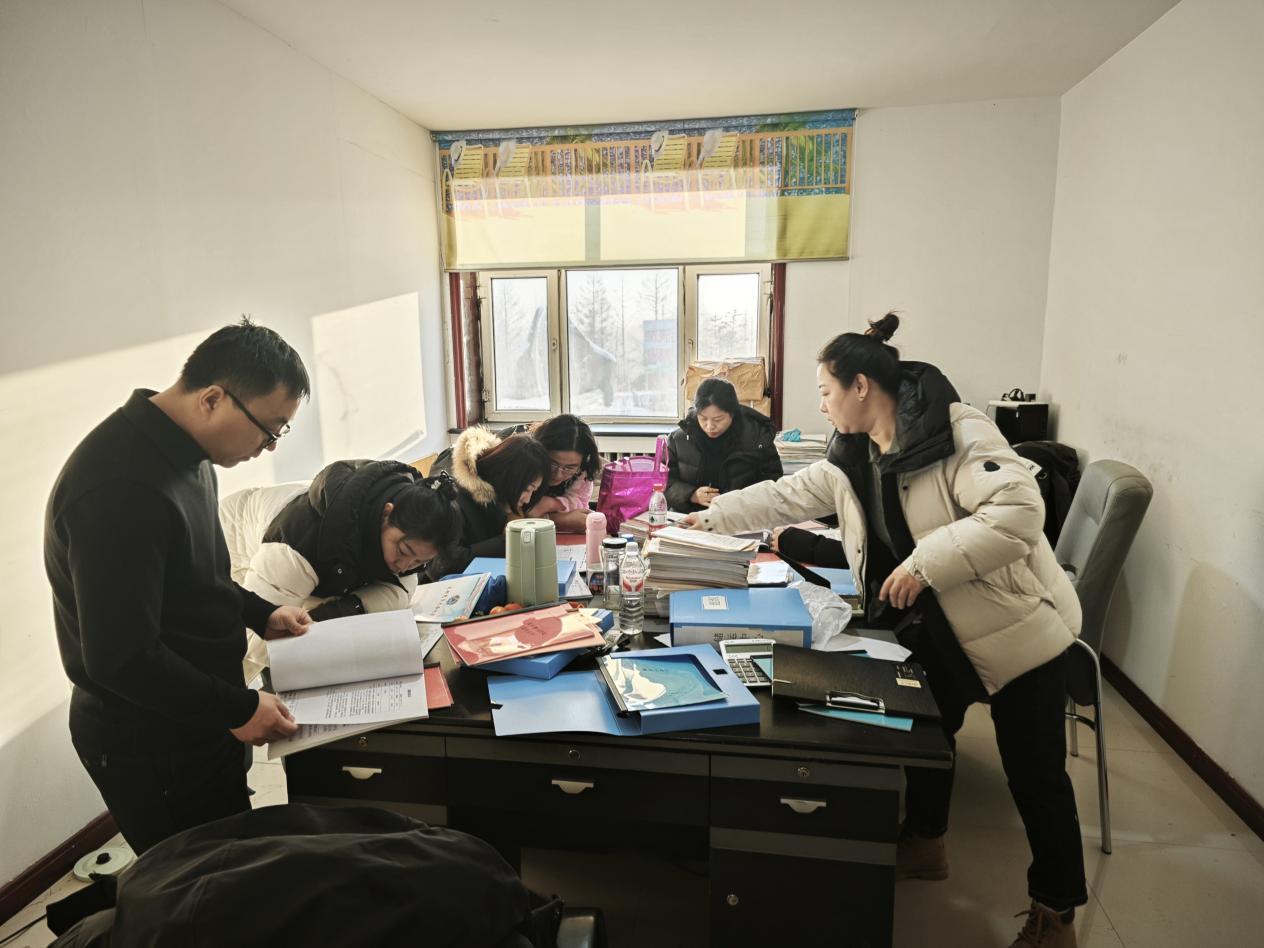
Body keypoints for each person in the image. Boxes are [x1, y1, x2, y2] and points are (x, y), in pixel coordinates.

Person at [683, 314, 1087, 948]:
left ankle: (1056, 913)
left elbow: (1018, 513)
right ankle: (926, 845)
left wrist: (923, 564)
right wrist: (709, 519)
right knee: (929, 739)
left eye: (825, 391)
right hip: (936, 627)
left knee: (1035, 777)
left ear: (862, 386)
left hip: (1015, 629)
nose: (821, 404)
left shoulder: (957, 431)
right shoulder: (854, 451)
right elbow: (788, 495)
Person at [44, 319, 314, 855]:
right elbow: (121, 658)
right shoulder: (118, 487)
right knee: (194, 878)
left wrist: (260, 613)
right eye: (269, 429)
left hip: (199, 715)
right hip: (149, 740)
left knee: (232, 856)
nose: (268, 447)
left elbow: (196, 579)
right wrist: (238, 709)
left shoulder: (190, 456)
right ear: (212, 398)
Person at [220, 461, 463, 620]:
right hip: (234, 536)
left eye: (419, 562)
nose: (404, 566)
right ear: (386, 513)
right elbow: (262, 634)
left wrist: (345, 610)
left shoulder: (404, 517)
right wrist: (319, 622)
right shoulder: (301, 547)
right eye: (403, 551)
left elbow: (401, 589)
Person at [425, 428, 551, 578]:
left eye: (533, 491)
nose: (528, 499)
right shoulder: (455, 498)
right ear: (509, 477)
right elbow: (441, 566)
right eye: (526, 489)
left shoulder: (499, 496)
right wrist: (507, 541)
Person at [665, 377, 783, 513]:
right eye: (703, 418)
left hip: (740, 516)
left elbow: (773, 484)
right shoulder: (678, 440)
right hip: (689, 517)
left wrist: (739, 500)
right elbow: (662, 483)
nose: (709, 426)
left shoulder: (757, 439)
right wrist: (691, 494)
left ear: (732, 414)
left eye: (718, 419)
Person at [500, 414, 602, 533]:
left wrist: (551, 504)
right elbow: (513, 515)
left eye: (569, 468)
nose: (558, 475)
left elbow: (580, 505)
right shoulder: (525, 459)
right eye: (552, 464)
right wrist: (561, 520)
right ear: (541, 451)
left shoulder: (584, 470)